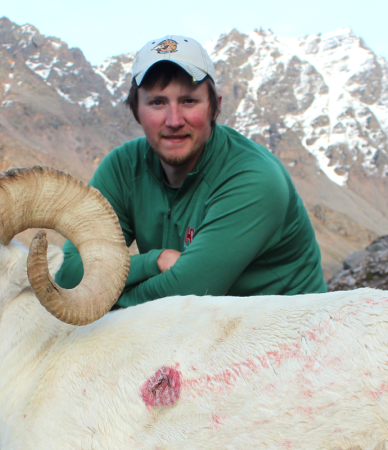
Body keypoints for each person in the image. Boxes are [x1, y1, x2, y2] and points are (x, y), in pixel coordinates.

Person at [55, 35, 326, 307]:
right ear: (136, 111)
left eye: (189, 101)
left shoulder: (253, 177)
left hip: (292, 333)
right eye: (157, 103)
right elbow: (69, 272)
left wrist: (98, 301)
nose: (174, 120)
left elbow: (186, 294)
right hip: (205, 335)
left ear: (215, 107)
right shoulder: (123, 167)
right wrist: (153, 261)